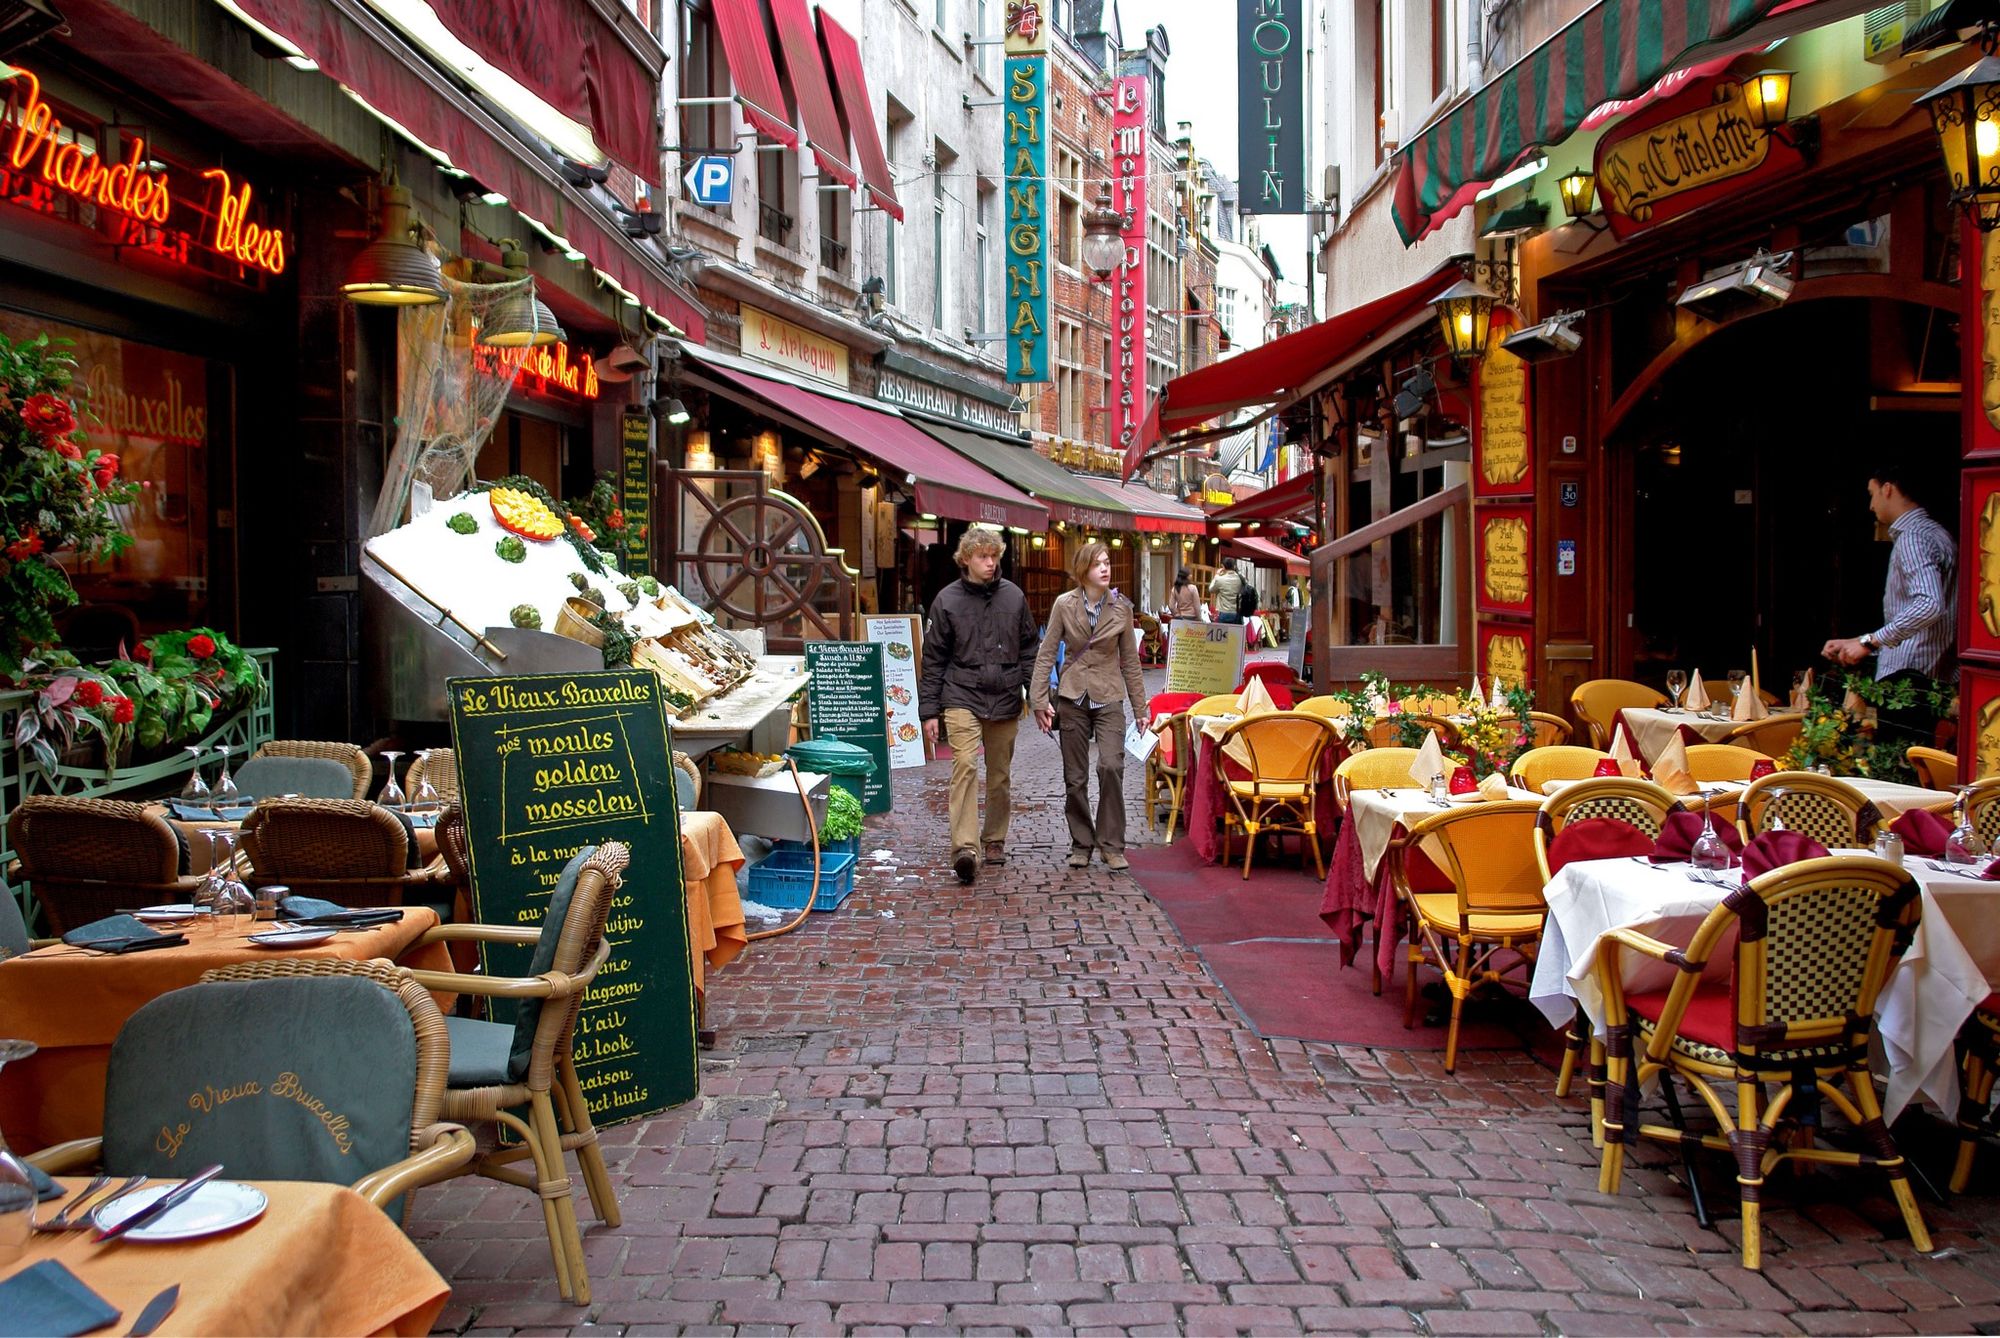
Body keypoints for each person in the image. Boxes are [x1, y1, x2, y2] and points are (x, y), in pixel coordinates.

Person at [921, 527, 1040, 883]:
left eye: (994, 556)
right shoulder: (947, 600)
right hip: (961, 693)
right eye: (982, 557)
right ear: (966, 560)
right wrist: (929, 711)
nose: (990, 563)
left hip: (1004, 695)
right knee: (965, 764)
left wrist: (1037, 695)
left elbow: (1030, 648)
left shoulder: (1014, 597)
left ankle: (994, 839)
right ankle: (965, 848)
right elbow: (934, 659)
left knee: (1000, 774)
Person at [1030, 541, 1148, 871]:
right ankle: (1081, 842)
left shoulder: (1121, 608)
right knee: (1075, 776)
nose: (1106, 569)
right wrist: (1039, 700)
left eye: (1108, 562)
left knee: (1111, 766)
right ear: (1083, 571)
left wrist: (1141, 709)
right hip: (1072, 697)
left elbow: (1131, 661)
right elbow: (1046, 653)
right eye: (1098, 564)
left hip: (1109, 695)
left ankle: (1112, 844)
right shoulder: (1064, 605)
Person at [1819, 466, 1956, 746]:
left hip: (1911, 681)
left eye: (1872, 493)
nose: (1871, 505)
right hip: (1931, 675)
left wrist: (1869, 642)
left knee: (1900, 778)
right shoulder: (1936, 533)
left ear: (1888, 489)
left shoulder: (1914, 538)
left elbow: (1929, 604)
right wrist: (1857, 640)